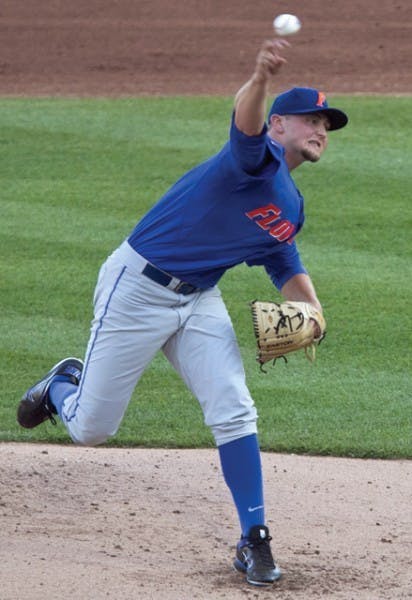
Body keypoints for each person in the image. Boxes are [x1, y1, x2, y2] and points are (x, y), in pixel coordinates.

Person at [17, 39, 348, 587]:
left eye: (327, 124)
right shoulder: (252, 158)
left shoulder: (290, 202)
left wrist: (312, 307)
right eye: (310, 119)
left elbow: (281, 255)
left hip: (198, 301)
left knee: (234, 409)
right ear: (278, 126)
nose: (320, 129)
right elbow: (244, 122)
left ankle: (254, 538)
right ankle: (60, 386)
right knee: (93, 429)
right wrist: (260, 77)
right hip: (136, 289)